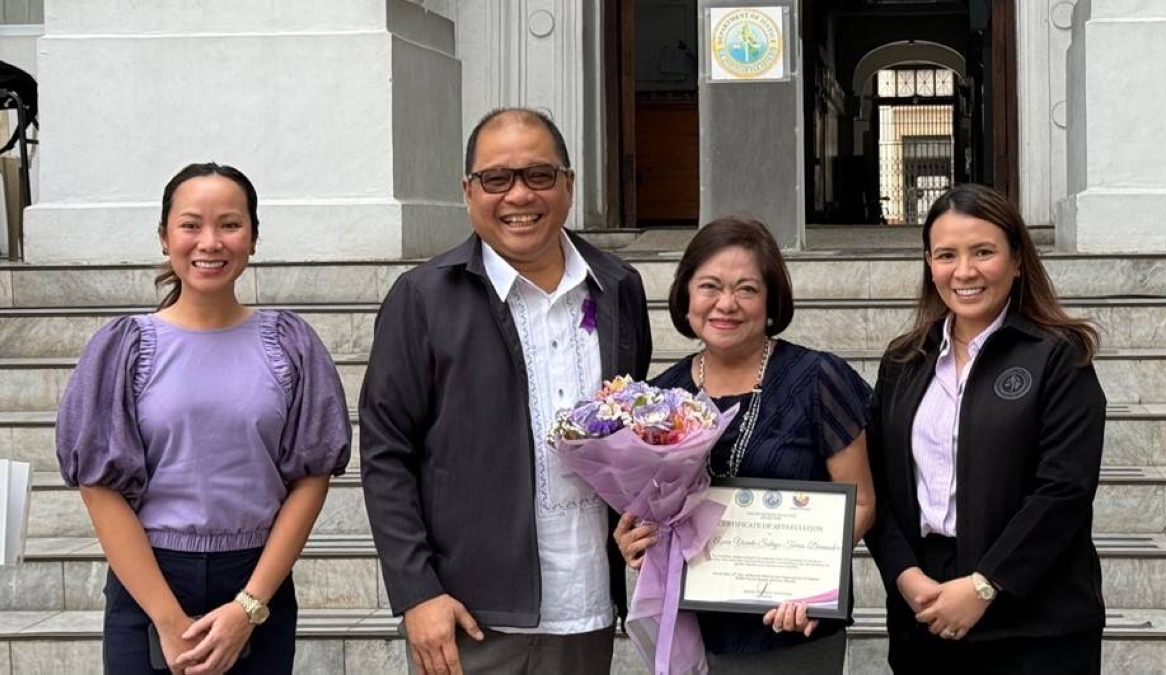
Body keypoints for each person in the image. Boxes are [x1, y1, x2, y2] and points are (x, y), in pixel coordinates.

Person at [359, 107, 653, 675]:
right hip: (470, 616)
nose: (519, 195)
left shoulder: (618, 287)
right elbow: (385, 453)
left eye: (539, 175)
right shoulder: (423, 299)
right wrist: (417, 592)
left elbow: (629, 430)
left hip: (587, 607)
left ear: (568, 185)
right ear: (468, 192)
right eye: (497, 178)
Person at [55, 162, 352, 675]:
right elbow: (98, 486)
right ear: (165, 236)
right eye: (191, 225)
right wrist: (168, 622)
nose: (209, 242)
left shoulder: (291, 346)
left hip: (257, 577)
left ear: (253, 238)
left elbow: (311, 475)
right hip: (150, 580)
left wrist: (248, 607)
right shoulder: (123, 349)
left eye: (230, 225)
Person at [614, 216, 876, 674]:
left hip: (790, 632)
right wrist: (635, 539)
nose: (726, 304)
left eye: (747, 289)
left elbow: (863, 502)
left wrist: (810, 583)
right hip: (694, 628)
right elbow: (650, 511)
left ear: (771, 300)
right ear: (686, 296)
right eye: (710, 286)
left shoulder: (818, 379)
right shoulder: (658, 398)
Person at [865, 183, 1106, 674]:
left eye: (983, 252)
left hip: (1035, 618)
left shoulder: (1059, 356)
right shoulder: (903, 361)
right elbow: (877, 485)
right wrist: (904, 574)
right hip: (926, 610)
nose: (965, 271)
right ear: (930, 265)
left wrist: (986, 584)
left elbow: (1064, 490)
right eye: (946, 255)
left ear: (1017, 260)